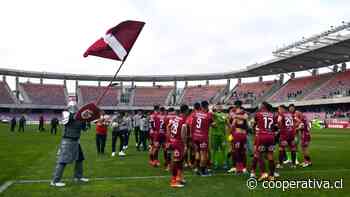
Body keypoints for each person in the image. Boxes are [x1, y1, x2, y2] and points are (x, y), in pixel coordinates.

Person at [50, 101, 88, 187]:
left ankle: (78, 176)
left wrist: (85, 119)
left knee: (79, 159)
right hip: (68, 141)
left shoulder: (79, 117)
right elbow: (67, 120)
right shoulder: (66, 114)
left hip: (76, 141)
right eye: (73, 106)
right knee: (62, 161)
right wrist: (80, 116)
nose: (74, 108)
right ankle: (55, 181)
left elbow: (84, 129)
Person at [253, 102, 276, 181]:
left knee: (259, 154)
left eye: (260, 105)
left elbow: (255, 123)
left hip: (262, 136)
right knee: (270, 155)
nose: (259, 106)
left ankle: (264, 173)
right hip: (271, 136)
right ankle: (272, 176)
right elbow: (274, 126)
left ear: (263, 106)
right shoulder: (273, 114)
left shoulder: (258, 113)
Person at [167, 104, 188, 188]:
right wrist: (185, 144)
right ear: (186, 111)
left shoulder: (176, 117)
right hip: (178, 143)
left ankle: (179, 177)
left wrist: (169, 138)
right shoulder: (183, 119)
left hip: (173, 141)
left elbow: (168, 127)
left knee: (180, 161)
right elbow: (183, 132)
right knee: (176, 161)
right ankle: (173, 181)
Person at [190, 100, 213, 176]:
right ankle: (203, 171)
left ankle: (197, 168)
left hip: (195, 136)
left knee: (197, 152)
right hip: (203, 137)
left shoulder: (196, 114)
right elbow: (213, 124)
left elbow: (192, 124)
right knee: (203, 154)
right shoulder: (208, 115)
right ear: (206, 106)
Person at [229, 100, 248, 174]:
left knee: (239, 151)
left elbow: (245, 117)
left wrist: (236, 115)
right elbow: (232, 118)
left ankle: (240, 168)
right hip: (236, 133)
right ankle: (237, 167)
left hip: (238, 134)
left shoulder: (242, 112)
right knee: (236, 151)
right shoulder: (233, 111)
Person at [210, 105, 228, 170]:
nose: (219, 108)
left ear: (222, 108)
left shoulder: (224, 115)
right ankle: (215, 163)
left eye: (220, 107)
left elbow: (224, 119)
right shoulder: (213, 115)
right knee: (214, 150)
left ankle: (224, 163)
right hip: (214, 135)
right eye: (217, 107)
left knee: (223, 150)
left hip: (222, 136)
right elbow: (210, 117)